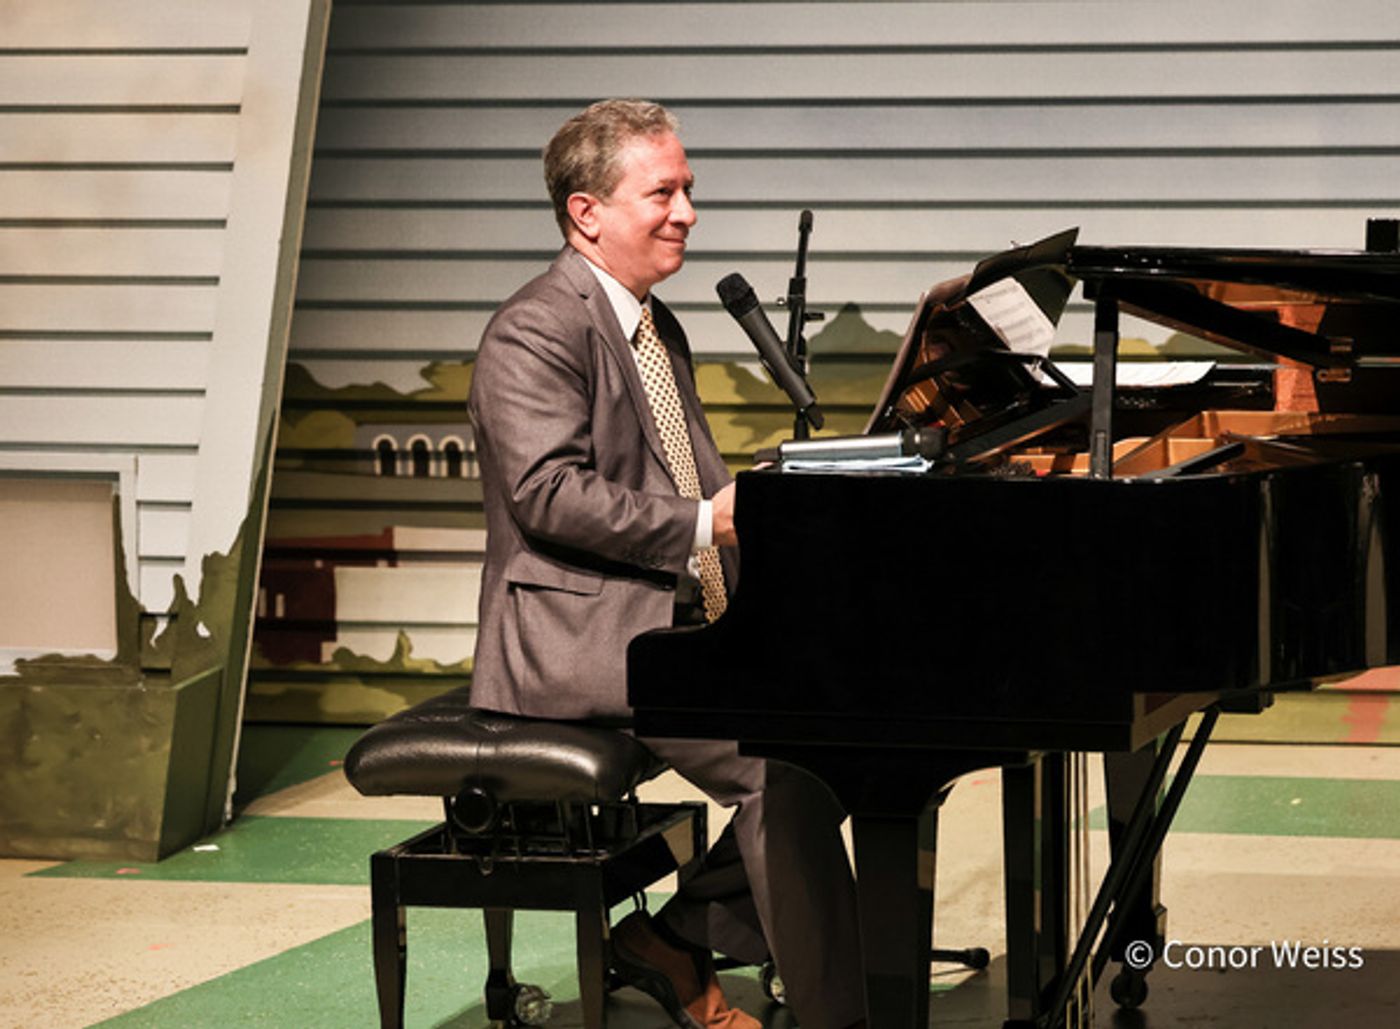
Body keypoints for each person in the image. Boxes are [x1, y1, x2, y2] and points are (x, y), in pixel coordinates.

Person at [468, 100, 865, 1028]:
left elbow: (697, 478)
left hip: (668, 621)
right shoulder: (534, 329)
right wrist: (707, 523)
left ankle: (674, 937)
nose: (687, 210)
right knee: (785, 771)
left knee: (855, 736)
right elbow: (547, 494)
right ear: (587, 212)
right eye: (664, 191)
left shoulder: (654, 325)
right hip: (578, 642)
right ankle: (835, 1015)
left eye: (689, 189)